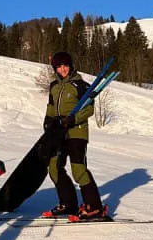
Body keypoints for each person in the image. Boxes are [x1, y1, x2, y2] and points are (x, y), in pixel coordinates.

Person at [40, 51, 107, 221]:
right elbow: (51, 106)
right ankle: (68, 204)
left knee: (78, 170)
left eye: (65, 65)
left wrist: (73, 119)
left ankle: (94, 207)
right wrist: (48, 121)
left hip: (77, 132)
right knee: (54, 168)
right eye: (59, 66)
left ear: (70, 66)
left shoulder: (81, 85)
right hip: (58, 132)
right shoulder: (54, 86)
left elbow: (89, 109)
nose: (63, 69)